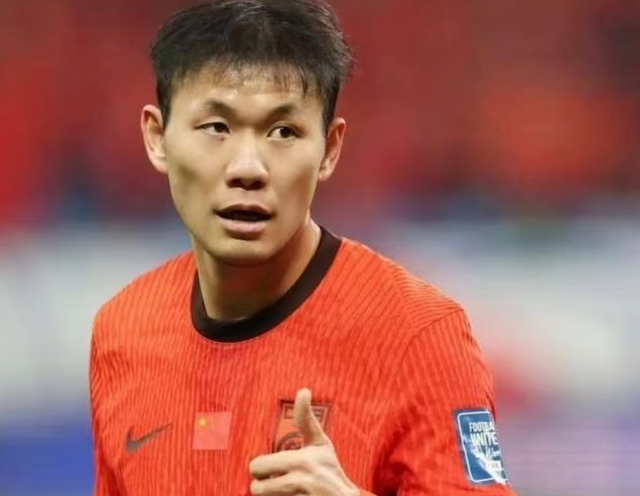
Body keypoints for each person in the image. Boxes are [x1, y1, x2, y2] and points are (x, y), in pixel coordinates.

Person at [89, 0, 519, 494]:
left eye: (283, 132)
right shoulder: (122, 332)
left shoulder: (419, 336)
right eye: (216, 128)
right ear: (157, 137)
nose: (247, 168)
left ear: (330, 149)